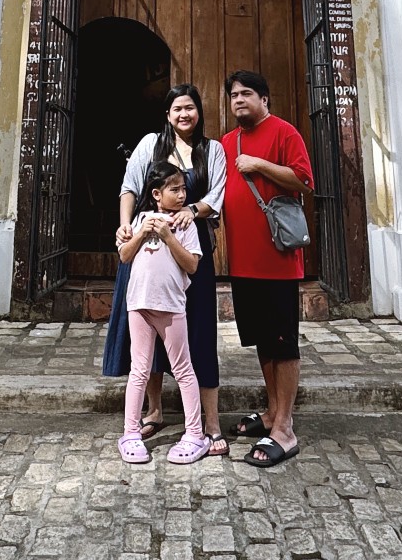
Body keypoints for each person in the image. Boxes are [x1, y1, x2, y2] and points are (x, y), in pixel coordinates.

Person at [100, 84, 229, 455]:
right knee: (148, 335)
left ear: (198, 112)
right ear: (168, 114)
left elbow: (216, 194)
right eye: (177, 109)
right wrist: (126, 226)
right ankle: (154, 411)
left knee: (200, 331)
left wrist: (193, 210)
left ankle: (211, 421)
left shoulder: (212, 150)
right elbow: (129, 187)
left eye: (190, 107)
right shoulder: (150, 145)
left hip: (190, 248)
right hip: (147, 248)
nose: (184, 114)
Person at [220, 68, 313, 468]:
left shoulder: (284, 133)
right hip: (243, 262)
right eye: (233, 95)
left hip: (277, 262)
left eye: (246, 94)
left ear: (264, 99)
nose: (239, 100)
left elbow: (304, 181)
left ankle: (286, 430)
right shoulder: (227, 142)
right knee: (262, 341)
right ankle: (273, 412)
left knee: (283, 343)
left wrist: (259, 164)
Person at [114, 161, 210, 465]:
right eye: (174, 189)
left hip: (170, 307)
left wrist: (169, 236)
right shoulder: (140, 219)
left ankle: (195, 434)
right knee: (139, 370)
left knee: (183, 369)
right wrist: (141, 232)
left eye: (183, 189)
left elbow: (192, 265)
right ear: (157, 194)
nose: (181, 195)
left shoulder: (185, 224)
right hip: (139, 305)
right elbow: (125, 256)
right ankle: (131, 432)